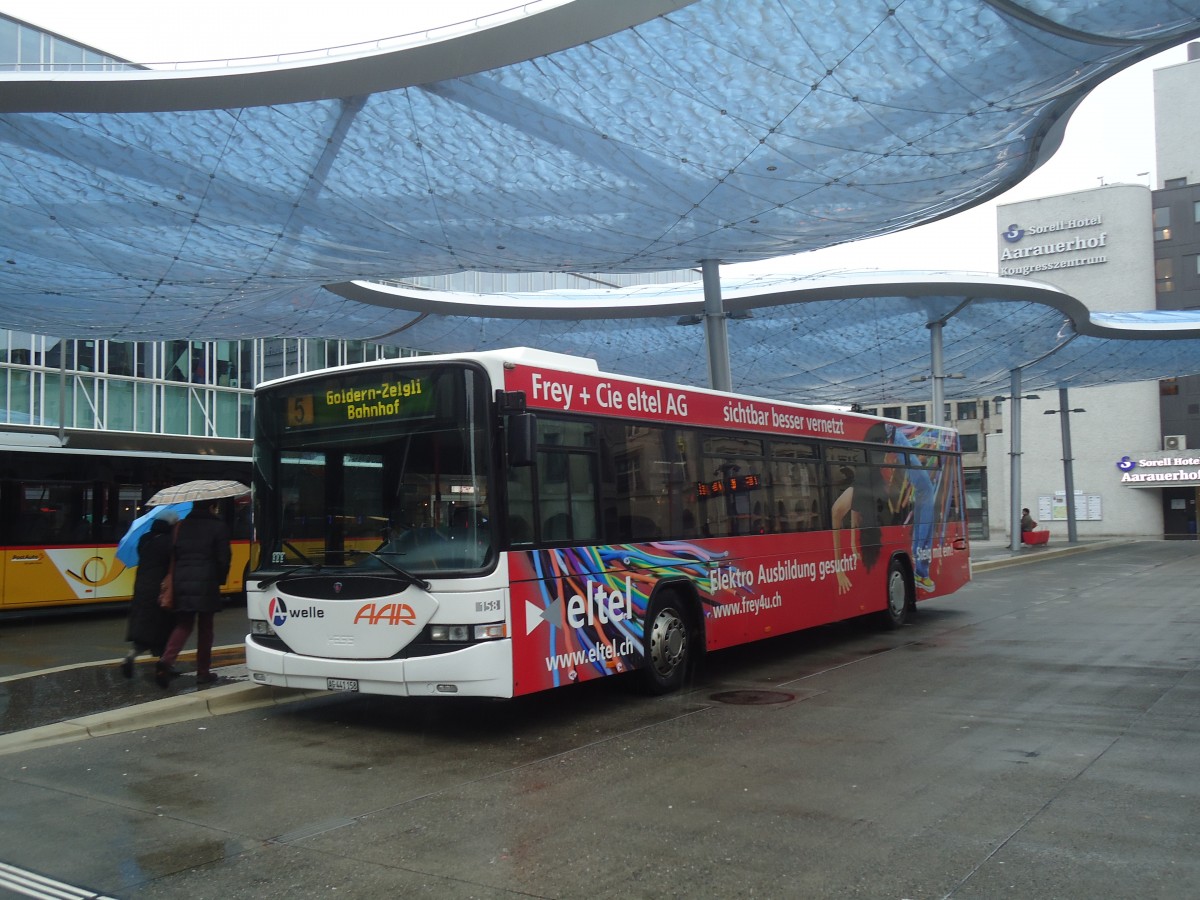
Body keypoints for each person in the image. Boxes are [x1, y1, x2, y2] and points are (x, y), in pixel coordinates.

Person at [155, 501, 232, 688]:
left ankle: (166, 661)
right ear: (210, 507)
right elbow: (224, 558)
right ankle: (203, 672)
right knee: (206, 628)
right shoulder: (218, 526)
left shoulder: (180, 526)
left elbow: (173, 553)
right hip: (206, 580)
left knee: (184, 624)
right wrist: (219, 579)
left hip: (181, 579)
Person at [120, 512, 179, 678]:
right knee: (164, 626)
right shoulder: (169, 543)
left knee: (144, 628)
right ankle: (165, 664)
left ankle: (130, 656)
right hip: (160, 589)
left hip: (141, 586)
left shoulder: (145, 539)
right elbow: (173, 564)